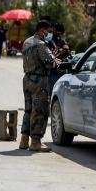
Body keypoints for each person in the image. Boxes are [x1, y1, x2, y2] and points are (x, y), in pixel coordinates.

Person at [19, 21, 57, 152]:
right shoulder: (41, 45)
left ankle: (24, 139)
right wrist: (55, 59)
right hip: (39, 81)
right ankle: (35, 141)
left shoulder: (27, 42)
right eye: (48, 31)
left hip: (27, 79)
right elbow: (50, 63)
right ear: (42, 30)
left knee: (28, 110)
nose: (49, 34)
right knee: (39, 110)